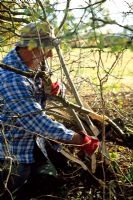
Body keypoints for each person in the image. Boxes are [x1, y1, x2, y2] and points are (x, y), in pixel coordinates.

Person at [0, 21, 100, 199]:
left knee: (49, 178)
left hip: (33, 143)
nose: (51, 54)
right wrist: (79, 139)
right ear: (32, 48)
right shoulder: (12, 78)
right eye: (47, 49)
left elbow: (44, 85)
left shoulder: (29, 62)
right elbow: (37, 121)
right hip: (12, 154)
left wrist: (52, 88)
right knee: (14, 190)